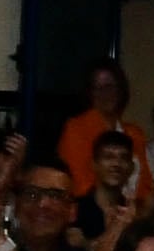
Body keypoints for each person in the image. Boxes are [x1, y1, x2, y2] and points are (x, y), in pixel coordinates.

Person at [55, 55, 134, 195]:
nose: (105, 93)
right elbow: (78, 186)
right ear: (89, 93)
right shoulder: (76, 129)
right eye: (97, 88)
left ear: (121, 89)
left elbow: (145, 188)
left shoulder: (135, 133)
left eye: (109, 86)